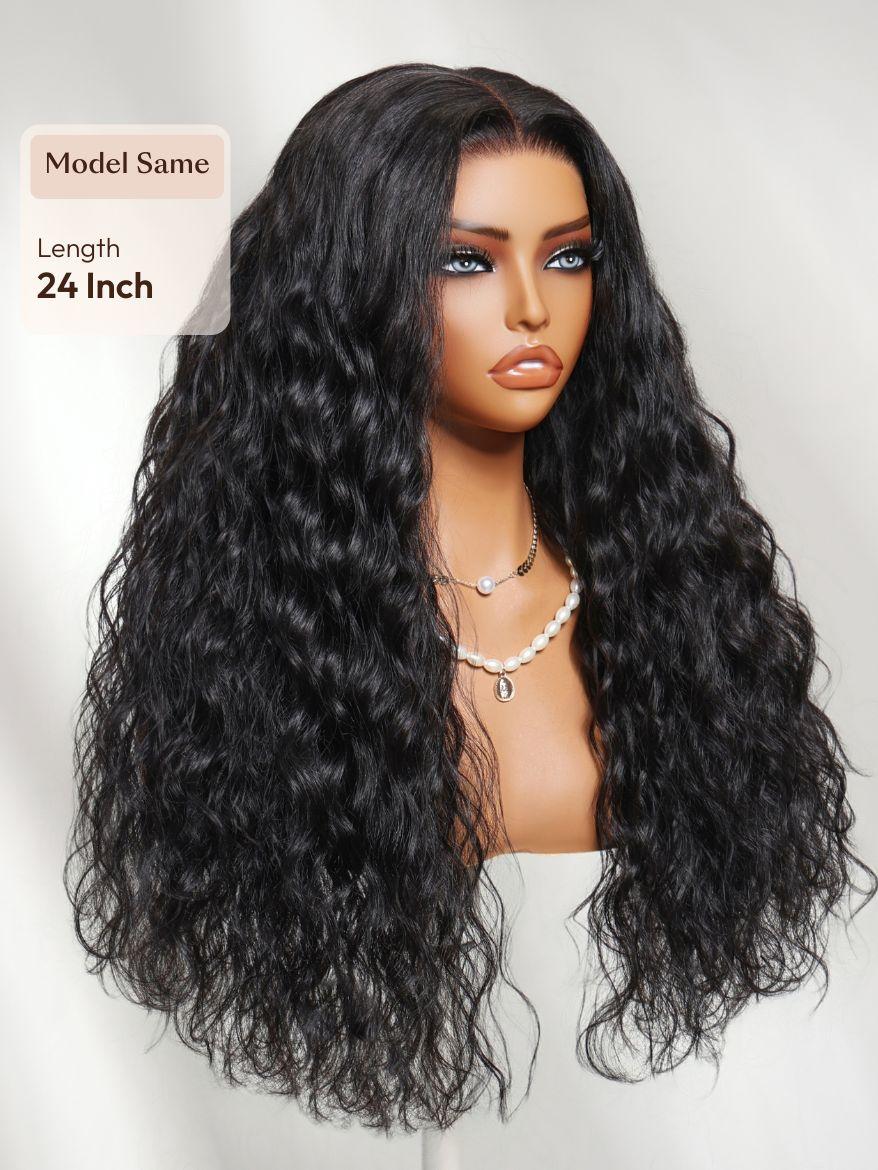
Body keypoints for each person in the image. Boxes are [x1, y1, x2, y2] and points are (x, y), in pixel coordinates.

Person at [64, 63, 876, 1142]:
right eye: (466, 261)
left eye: (569, 256)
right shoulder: (264, 640)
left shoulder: (677, 607)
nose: (534, 307)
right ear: (348, 283)